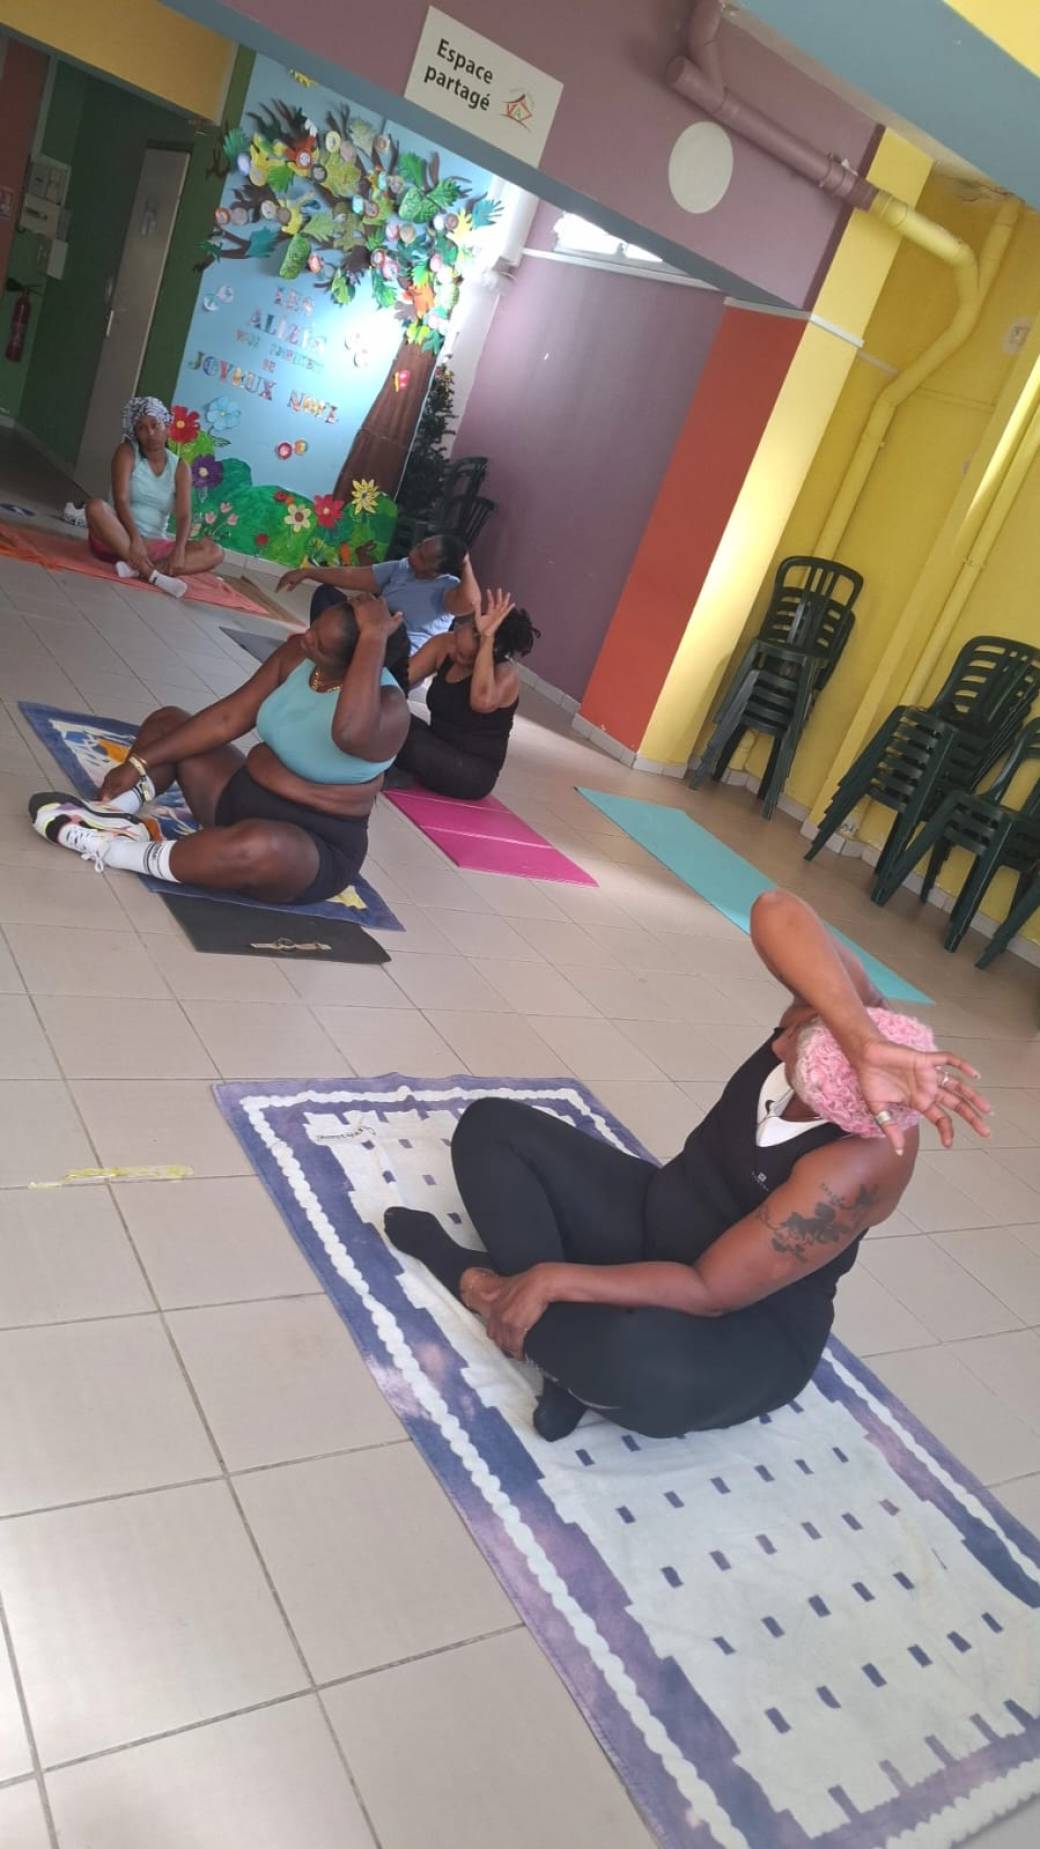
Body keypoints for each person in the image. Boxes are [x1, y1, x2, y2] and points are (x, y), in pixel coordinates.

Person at [386, 891, 991, 1442]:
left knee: (643, 1370)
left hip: (739, 1322)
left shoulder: (859, 1164)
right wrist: (853, 1029)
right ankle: (559, 1353)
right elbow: (775, 908)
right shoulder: (847, 1024)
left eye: (795, 1055)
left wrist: (552, 1278)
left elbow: (709, 1291)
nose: (778, 1042)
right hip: (661, 1215)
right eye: (801, 1029)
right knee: (493, 1129)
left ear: (829, 1107)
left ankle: (476, 1281)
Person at [28, 598, 409, 907]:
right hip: (235, 798)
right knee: (169, 725)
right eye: (313, 628)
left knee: (257, 847)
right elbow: (228, 718)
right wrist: (140, 763)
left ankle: (114, 850)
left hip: (306, 849)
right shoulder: (298, 655)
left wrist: (374, 636)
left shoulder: (389, 709)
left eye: (321, 644)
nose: (305, 639)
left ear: (360, 660)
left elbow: (348, 732)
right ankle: (116, 814)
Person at [392, 592, 539, 801]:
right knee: (391, 717)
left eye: (471, 657)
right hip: (435, 742)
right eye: (459, 653)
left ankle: (394, 768)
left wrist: (487, 638)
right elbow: (397, 681)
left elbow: (481, 702)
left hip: (471, 772)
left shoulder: (505, 674)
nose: (459, 657)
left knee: (410, 742)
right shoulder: (445, 644)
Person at [84, 396, 224, 600]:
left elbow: (184, 515)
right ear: (135, 433)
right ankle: (152, 574)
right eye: (141, 428)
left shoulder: (180, 467)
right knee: (95, 507)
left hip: (154, 546)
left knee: (215, 551)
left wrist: (178, 550)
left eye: (155, 425)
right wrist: (135, 539)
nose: (150, 433)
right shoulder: (126, 452)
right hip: (118, 537)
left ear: (167, 428)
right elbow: (121, 499)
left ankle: (138, 570)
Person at [277, 533, 481, 651]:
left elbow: (472, 603)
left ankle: (331, 649)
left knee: (387, 627)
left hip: (397, 653)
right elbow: (351, 576)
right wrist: (307, 572)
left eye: (421, 557)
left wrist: (465, 563)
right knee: (327, 595)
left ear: (437, 569)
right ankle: (323, 644)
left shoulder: (449, 589)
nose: (413, 553)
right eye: (419, 546)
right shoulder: (403, 567)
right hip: (372, 632)